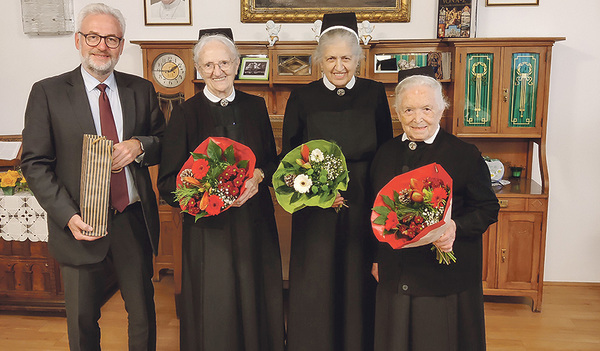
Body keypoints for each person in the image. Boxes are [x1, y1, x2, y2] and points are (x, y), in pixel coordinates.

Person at [20, 3, 165, 351]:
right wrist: (67, 215)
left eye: (111, 39)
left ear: (121, 44)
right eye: (94, 36)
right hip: (80, 223)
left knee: (143, 314)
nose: (102, 45)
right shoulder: (48, 92)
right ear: (78, 40)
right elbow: (35, 162)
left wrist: (139, 146)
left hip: (132, 219)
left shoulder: (141, 89)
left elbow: (164, 141)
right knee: (84, 321)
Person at [157, 30, 285, 351]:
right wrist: (203, 195)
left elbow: (272, 162)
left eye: (224, 62)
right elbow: (168, 183)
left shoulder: (256, 108)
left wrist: (258, 175)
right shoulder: (185, 113)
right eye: (209, 65)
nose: (218, 72)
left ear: (237, 63)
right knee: (217, 306)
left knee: (257, 298)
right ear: (198, 70)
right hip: (209, 235)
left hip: (255, 226)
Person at [281, 12, 393, 351]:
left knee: (357, 277)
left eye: (346, 58)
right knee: (317, 278)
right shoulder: (301, 98)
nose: (339, 66)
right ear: (319, 60)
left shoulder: (375, 94)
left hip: (363, 202)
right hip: (316, 207)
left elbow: (386, 153)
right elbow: (290, 158)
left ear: (358, 59)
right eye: (331, 58)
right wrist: (316, 191)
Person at [370, 74, 500, 351]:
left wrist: (455, 228)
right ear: (398, 112)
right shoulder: (384, 153)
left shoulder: (464, 154)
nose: (418, 118)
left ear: (442, 108)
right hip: (396, 272)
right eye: (409, 110)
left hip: (443, 278)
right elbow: (376, 213)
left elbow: (488, 208)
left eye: (426, 109)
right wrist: (376, 258)